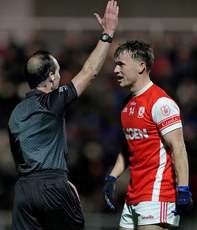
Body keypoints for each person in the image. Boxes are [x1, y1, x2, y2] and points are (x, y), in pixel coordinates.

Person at [8, 1, 119, 230]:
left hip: (23, 191)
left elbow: (21, 158)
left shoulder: (15, 113)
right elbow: (90, 72)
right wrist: (107, 34)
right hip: (53, 188)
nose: (60, 77)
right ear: (50, 77)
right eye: (58, 72)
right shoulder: (52, 101)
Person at [102, 40, 193, 230]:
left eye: (121, 64)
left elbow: (179, 147)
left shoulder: (161, 103)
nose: (115, 70)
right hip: (133, 193)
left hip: (158, 193)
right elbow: (130, 145)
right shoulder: (127, 104)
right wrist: (112, 177)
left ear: (141, 66)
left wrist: (183, 188)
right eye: (115, 64)